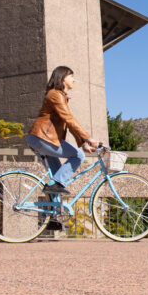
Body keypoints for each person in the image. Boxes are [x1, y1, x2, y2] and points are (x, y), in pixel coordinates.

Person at [27, 66, 99, 200]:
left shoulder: (60, 96)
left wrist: (83, 144)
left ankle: (55, 218)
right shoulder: (55, 94)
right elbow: (69, 119)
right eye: (71, 76)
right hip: (42, 138)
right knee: (78, 156)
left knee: (56, 181)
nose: (74, 80)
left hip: (41, 139)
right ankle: (57, 186)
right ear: (62, 77)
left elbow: (68, 123)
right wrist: (89, 138)